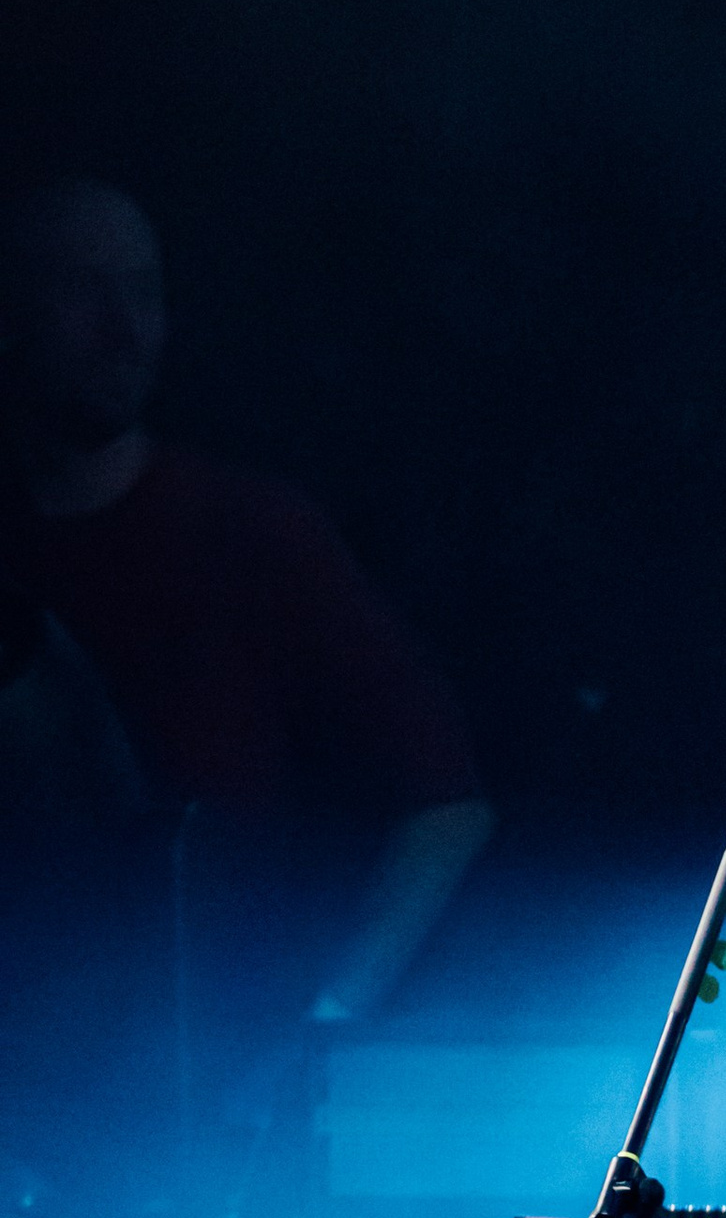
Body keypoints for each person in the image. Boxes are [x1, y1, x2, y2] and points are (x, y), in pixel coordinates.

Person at [0, 179, 491, 1050]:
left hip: (204, 1081)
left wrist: (323, 1027)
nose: (124, 329)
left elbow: (445, 802)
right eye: (84, 291)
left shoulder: (250, 534)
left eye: (143, 292)